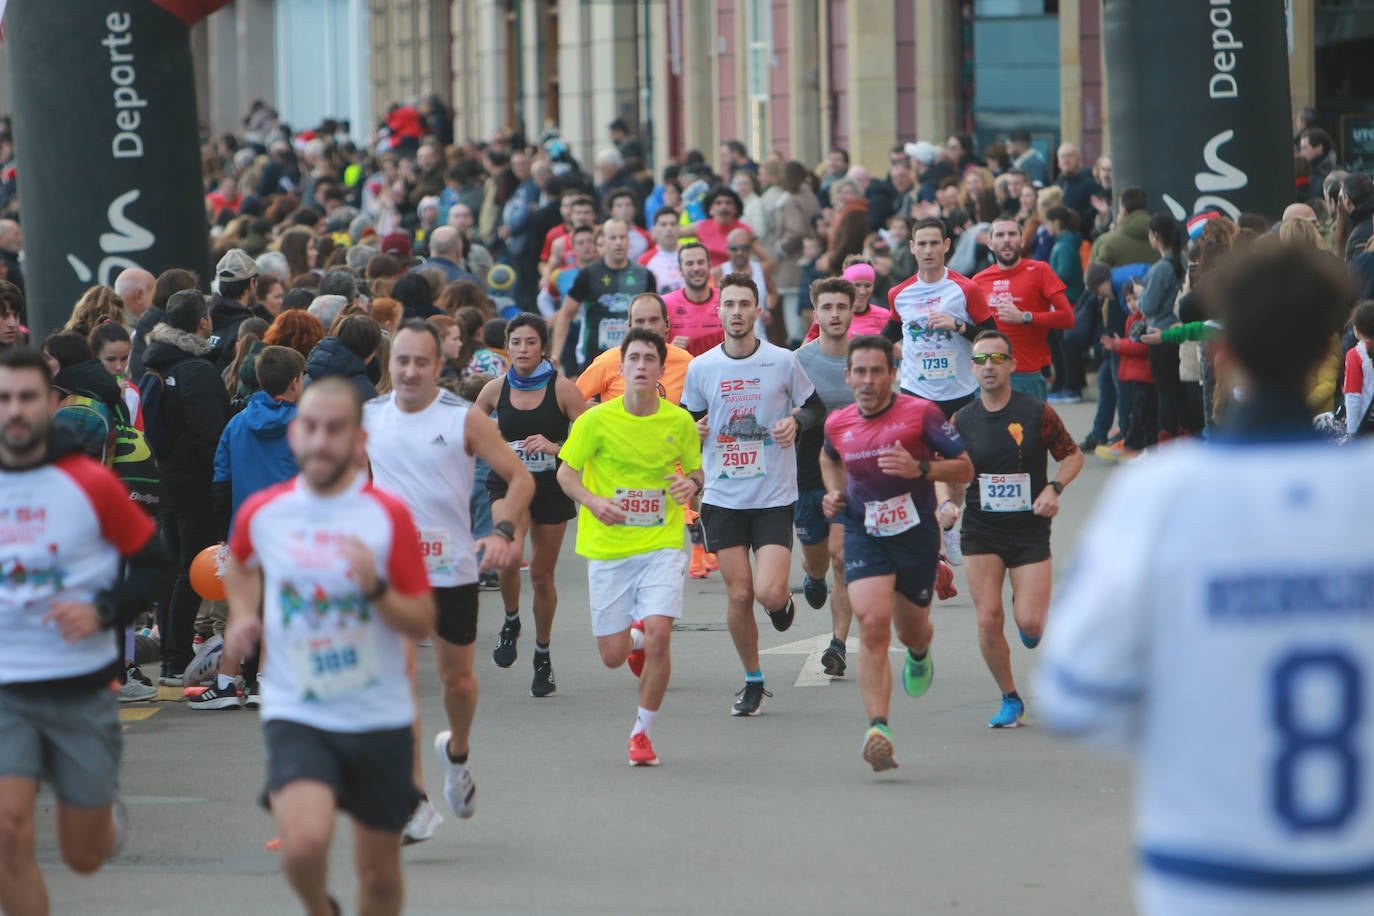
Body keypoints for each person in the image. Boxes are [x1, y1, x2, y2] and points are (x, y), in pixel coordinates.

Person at [1037, 243, 1374, 916]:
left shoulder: (1161, 495)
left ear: (1224, 352)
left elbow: (1075, 695)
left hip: (1207, 872)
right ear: (1326, 353)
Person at [222, 378, 435, 916]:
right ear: (295, 435)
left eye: (335, 429)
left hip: (376, 714)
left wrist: (375, 590)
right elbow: (241, 561)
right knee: (303, 845)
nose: (321, 441)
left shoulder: (387, 515)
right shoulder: (264, 512)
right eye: (311, 428)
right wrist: (243, 615)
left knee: (380, 879)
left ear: (359, 441)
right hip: (299, 708)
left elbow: (422, 618)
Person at [0, 347, 163, 914]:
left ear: (51, 403)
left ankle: (101, 817)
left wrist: (101, 610)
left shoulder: (89, 483)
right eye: (4, 399)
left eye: (27, 398)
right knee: (9, 831)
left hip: (80, 686)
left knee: (83, 853)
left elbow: (152, 563)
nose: (15, 410)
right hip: (7, 686)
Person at [365, 320, 533, 837]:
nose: (410, 371)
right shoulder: (368, 417)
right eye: (402, 361)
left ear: (439, 367)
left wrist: (503, 530)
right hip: (392, 571)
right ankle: (414, 802)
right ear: (389, 365)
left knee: (456, 681)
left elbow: (520, 477)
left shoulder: (463, 420)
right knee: (397, 685)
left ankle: (456, 754)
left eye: (421, 362)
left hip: (451, 567)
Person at [819, 335, 973, 771]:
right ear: (848, 376)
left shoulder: (921, 414)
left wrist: (920, 468)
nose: (867, 381)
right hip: (864, 532)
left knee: (912, 632)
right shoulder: (839, 423)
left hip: (915, 535)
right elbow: (828, 458)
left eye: (876, 371)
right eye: (859, 372)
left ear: (891, 374)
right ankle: (878, 728)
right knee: (871, 624)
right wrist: (835, 495)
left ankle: (922, 653)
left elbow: (965, 467)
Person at [556, 328, 704, 765]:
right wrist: (593, 501)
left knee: (661, 634)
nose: (641, 365)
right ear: (621, 368)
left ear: (661, 368)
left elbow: (698, 473)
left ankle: (642, 733)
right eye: (633, 358)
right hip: (608, 548)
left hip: (661, 543)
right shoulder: (595, 420)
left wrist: (689, 484)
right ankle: (632, 640)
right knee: (612, 655)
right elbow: (566, 473)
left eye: (648, 359)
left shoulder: (678, 422)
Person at [680, 272, 825, 715]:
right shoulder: (701, 367)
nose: (737, 312)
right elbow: (686, 422)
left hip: (773, 495)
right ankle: (753, 680)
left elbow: (815, 408)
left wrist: (794, 423)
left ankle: (781, 606)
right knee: (739, 594)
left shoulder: (782, 361)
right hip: (723, 497)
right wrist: (693, 428)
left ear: (758, 311)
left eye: (745, 304)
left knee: (768, 592)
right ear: (719, 310)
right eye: (730, 304)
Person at [942, 331, 1081, 727]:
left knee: (1032, 623)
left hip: (1028, 531)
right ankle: (1010, 697)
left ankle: (1029, 621)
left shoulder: (1037, 412)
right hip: (981, 530)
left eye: (997, 360)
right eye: (981, 360)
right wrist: (946, 503)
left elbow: (1072, 456)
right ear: (971, 367)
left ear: (1012, 365)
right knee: (988, 618)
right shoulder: (961, 420)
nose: (989, 367)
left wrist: (1054, 488)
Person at [474, 314, 586, 697]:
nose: (522, 350)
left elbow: (591, 441)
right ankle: (510, 621)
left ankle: (542, 654)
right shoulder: (493, 390)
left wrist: (556, 448)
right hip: (506, 484)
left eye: (530, 342)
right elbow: (471, 437)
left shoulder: (563, 389)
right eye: (516, 342)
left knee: (540, 576)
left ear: (543, 347)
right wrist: (497, 445)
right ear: (507, 346)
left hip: (550, 488)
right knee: (508, 556)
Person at [192, 346, 308, 712]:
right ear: (294, 382)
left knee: (242, 611)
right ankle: (265, 682)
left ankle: (226, 683)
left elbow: (220, 482)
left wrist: (226, 531)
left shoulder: (237, 422)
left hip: (244, 530)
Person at [141, 290, 230, 686]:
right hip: (196, 484)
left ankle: (171, 656)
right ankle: (175, 659)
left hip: (166, 479)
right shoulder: (197, 370)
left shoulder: (155, 363)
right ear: (203, 323)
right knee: (194, 570)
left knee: (177, 568)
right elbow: (211, 433)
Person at [794, 277, 858, 677]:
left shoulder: (868, 355)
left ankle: (837, 644)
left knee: (842, 559)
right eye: (827, 308)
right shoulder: (798, 360)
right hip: (806, 474)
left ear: (853, 311)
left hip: (854, 475)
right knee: (818, 561)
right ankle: (811, 576)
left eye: (842, 307)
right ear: (816, 314)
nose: (835, 314)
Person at [973, 218, 1076, 400]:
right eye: (1000, 235)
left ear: (1021, 241)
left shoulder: (1040, 270)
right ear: (990, 244)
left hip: (1026, 374)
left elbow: (1067, 318)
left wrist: (1025, 317)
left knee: (1028, 429)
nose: (1006, 240)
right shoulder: (978, 281)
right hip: (988, 374)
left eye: (1012, 234)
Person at [550, 219, 657, 372]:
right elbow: (565, 314)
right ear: (603, 241)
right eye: (613, 238)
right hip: (596, 358)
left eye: (622, 237)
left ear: (629, 240)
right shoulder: (588, 274)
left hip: (635, 358)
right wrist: (555, 356)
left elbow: (656, 316)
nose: (618, 242)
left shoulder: (644, 275)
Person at [576, 292, 693, 405]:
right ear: (630, 327)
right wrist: (589, 413)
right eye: (640, 321)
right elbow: (572, 400)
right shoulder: (608, 361)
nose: (647, 327)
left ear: (667, 324)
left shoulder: (686, 362)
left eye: (654, 320)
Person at [802, 258, 893, 342]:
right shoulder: (829, 315)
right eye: (856, 285)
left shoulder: (884, 315)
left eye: (867, 285)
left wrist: (870, 345)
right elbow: (805, 352)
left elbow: (897, 351)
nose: (862, 291)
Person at [663, 242, 723, 356]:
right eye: (689, 263)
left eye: (700, 262)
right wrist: (669, 349)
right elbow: (651, 348)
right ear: (680, 269)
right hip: (683, 373)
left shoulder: (726, 300)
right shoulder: (665, 304)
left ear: (709, 266)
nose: (696, 268)